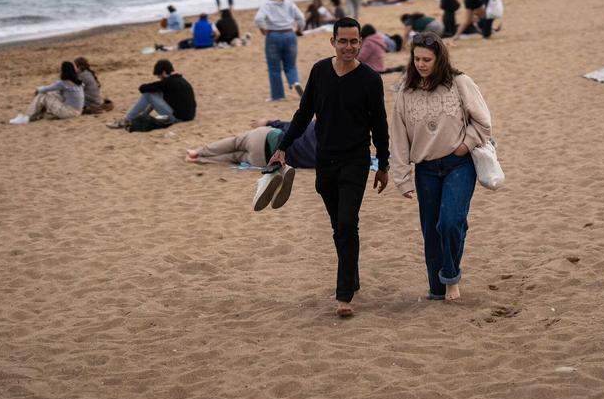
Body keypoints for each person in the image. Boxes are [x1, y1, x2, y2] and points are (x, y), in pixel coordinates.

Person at [268, 17, 390, 318]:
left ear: (360, 42)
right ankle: (353, 276)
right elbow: (303, 112)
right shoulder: (320, 71)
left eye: (354, 41)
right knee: (340, 228)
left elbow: (380, 126)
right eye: (343, 41)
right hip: (325, 163)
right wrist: (283, 146)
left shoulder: (371, 81)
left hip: (356, 162)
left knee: (347, 223)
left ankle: (344, 294)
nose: (349, 46)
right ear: (333, 41)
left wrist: (383, 164)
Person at [389, 32, 491, 302]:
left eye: (427, 59)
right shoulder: (406, 93)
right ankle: (437, 289)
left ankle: (451, 277)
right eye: (417, 59)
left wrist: (464, 145)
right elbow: (398, 138)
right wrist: (401, 178)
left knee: (449, 223)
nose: (421, 64)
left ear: (439, 59)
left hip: (459, 164)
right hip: (426, 170)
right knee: (431, 231)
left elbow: (484, 122)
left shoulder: (459, 83)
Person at [187, 117, 318, 169]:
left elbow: (285, 126)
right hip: (264, 160)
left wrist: (267, 122)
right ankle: (200, 159)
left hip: (264, 138)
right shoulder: (322, 156)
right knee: (235, 158)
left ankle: (198, 152)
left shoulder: (308, 126)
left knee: (235, 142)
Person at [253, 0, 305, 101]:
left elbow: (258, 19)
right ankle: (295, 82)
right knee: (291, 65)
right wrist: (299, 29)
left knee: (274, 68)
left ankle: (278, 95)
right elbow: (301, 18)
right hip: (290, 34)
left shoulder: (267, 5)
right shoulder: (289, 3)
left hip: (273, 36)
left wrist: (263, 29)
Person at [111, 59, 197, 128]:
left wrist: (156, 88)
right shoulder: (181, 80)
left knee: (148, 94)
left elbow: (142, 88)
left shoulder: (167, 82)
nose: (159, 78)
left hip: (177, 118)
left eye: (159, 75)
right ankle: (142, 116)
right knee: (155, 93)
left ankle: (127, 120)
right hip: (189, 116)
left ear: (163, 72)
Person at [10, 61, 84, 124]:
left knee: (44, 95)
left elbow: (45, 89)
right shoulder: (78, 82)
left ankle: (27, 116)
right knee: (52, 93)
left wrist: (37, 90)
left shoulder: (62, 83)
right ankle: (32, 116)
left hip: (69, 113)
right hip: (78, 111)